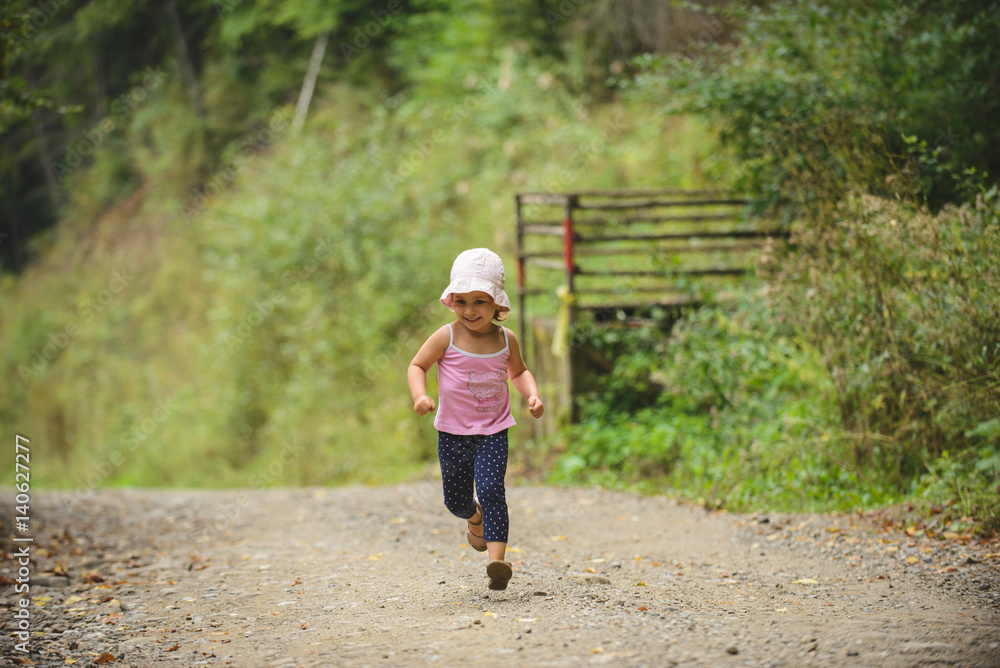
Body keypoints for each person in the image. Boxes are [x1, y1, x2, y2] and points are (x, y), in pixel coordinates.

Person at [408, 248, 544, 591]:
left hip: (493, 431)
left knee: (491, 489)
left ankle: (496, 562)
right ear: (452, 300)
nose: (470, 310)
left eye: (479, 302)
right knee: (455, 500)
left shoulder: (504, 339)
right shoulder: (447, 336)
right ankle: (474, 518)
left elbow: (520, 371)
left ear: (497, 303)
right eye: (462, 301)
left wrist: (532, 394)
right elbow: (417, 365)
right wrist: (420, 395)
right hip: (452, 433)